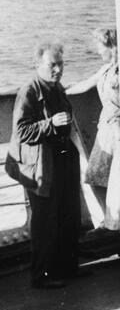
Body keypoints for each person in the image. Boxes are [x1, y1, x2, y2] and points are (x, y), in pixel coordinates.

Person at [5, 43, 83, 288]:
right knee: (46, 220)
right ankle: (42, 276)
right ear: (38, 65)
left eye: (60, 64)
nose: (58, 69)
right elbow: (21, 131)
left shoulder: (56, 87)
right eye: (52, 65)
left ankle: (67, 268)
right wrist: (50, 123)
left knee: (68, 215)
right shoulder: (29, 92)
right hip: (40, 164)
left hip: (61, 159)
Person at [66, 29, 120, 231]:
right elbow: (87, 85)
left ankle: (116, 223)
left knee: (118, 178)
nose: (98, 51)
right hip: (105, 129)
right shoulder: (106, 69)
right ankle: (111, 220)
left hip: (119, 131)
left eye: (100, 47)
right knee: (95, 176)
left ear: (111, 47)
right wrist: (62, 91)